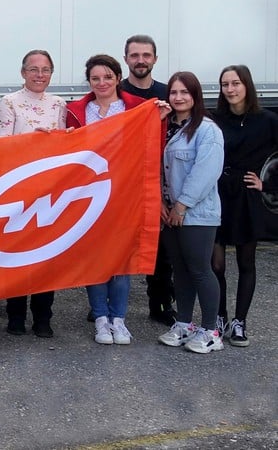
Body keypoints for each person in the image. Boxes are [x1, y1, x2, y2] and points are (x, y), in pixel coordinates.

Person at [65, 54, 150, 345]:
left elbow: (150, 144)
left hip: (124, 192)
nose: (101, 83)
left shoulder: (136, 108)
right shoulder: (77, 111)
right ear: (89, 81)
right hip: (89, 192)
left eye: (107, 77)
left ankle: (119, 319)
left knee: (121, 259)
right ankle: (101, 318)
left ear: (118, 78)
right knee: (95, 258)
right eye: (95, 78)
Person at [0, 49, 67, 338]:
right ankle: (15, 315)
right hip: (19, 187)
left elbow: (65, 146)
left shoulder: (59, 104)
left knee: (46, 256)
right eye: (33, 69)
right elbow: (1, 146)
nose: (39, 75)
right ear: (23, 72)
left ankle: (43, 317)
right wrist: (32, 143)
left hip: (50, 189)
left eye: (45, 69)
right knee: (17, 253)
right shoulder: (10, 102)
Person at [157, 71, 226, 354]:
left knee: (199, 269)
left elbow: (206, 171)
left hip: (196, 214)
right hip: (169, 213)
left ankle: (211, 331)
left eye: (185, 92)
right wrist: (162, 203)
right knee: (181, 270)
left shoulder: (207, 130)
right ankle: (184, 324)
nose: (178, 97)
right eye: (174, 92)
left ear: (195, 95)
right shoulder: (166, 126)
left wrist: (182, 206)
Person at [211, 64, 278, 348]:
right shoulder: (214, 119)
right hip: (218, 194)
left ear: (247, 85)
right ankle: (219, 317)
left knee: (246, 262)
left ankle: (240, 321)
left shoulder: (268, 120)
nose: (230, 89)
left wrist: (268, 184)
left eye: (235, 83)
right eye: (225, 84)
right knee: (216, 264)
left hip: (247, 197)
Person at [120, 34, 175, 325]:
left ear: (155, 58)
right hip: (122, 180)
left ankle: (161, 303)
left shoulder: (168, 93)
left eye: (146, 55)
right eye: (134, 55)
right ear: (126, 59)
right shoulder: (116, 92)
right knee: (117, 244)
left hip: (158, 177)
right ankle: (107, 304)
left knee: (161, 248)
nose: (140, 61)